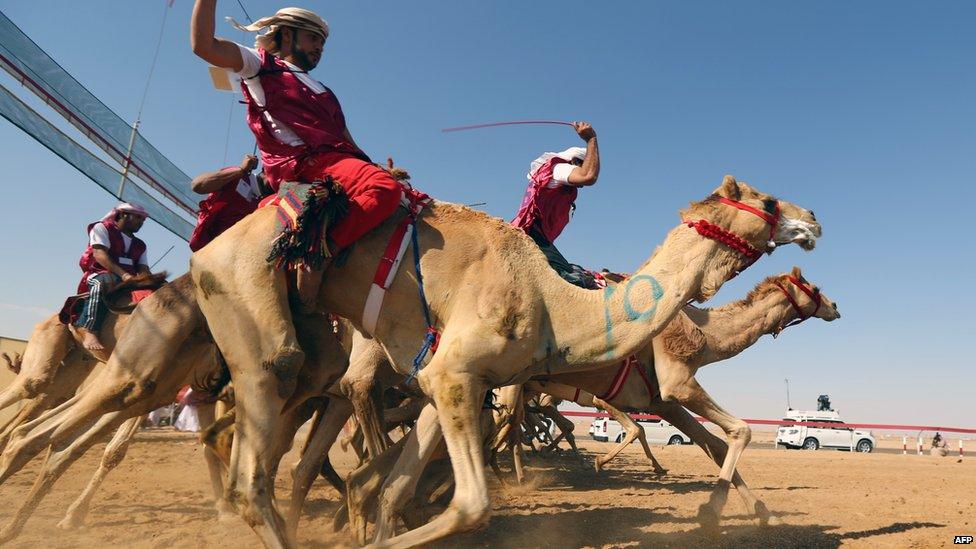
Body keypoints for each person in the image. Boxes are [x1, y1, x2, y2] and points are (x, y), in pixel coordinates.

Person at [190, 2, 402, 309]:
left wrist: (373, 166)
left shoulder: (324, 90)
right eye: (313, 38)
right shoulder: (260, 64)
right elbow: (203, 46)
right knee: (383, 190)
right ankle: (315, 257)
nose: (320, 47)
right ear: (287, 36)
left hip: (337, 162)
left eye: (323, 43)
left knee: (398, 192)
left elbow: (346, 140)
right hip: (306, 165)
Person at [511, 121, 601, 288]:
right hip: (531, 235)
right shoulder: (558, 168)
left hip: (539, 239)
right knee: (579, 283)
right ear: (574, 161)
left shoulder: (565, 189)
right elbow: (588, 175)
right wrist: (591, 139)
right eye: (584, 162)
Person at [74, 203, 151, 350]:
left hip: (129, 281)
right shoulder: (102, 228)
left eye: (143, 220)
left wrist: (150, 281)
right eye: (138, 218)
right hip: (102, 274)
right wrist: (124, 275)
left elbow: (143, 268)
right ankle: (89, 329)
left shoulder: (140, 245)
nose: (141, 222)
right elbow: (99, 254)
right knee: (104, 283)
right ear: (123, 214)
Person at [189, 153, 269, 251]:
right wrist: (241, 170)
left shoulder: (268, 206)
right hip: (207, 251)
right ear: (266, 169)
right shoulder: (238, 175)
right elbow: (197, 185)